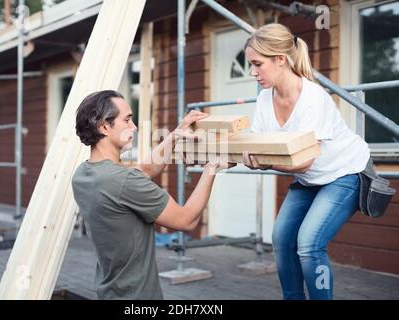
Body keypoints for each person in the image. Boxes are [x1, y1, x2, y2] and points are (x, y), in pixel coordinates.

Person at [242, 23, 370, 300]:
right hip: (310, 178)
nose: (252, 72)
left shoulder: (313, 97)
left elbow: (303, 162)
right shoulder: (265, 99)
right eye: (250, 64)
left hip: (344, 173)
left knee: (310, 244)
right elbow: (257, 142)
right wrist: (221, 145)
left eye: (257, 64)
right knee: (282, 239)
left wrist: (262, 162)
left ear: (280, 59)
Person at [71, 90, 231, 299]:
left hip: (109, 293)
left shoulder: (83, 175)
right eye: (127, 120)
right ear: (104, 127)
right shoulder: (123, 181)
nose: (134, 127)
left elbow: (144, 170)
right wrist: (212, 167)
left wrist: (175, 134)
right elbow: (186, 220)